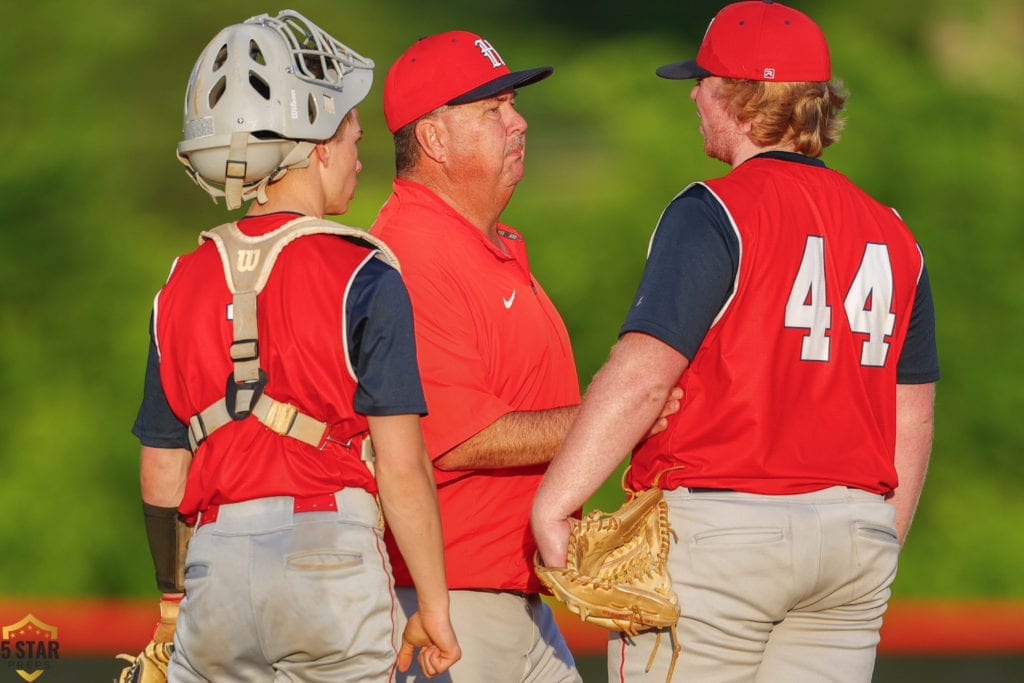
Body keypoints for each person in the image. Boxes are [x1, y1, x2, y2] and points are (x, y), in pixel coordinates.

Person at [531, 2, 939, 681]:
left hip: (727, 531)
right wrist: (874, 541)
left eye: (705, 80)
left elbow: (642, 376)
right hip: (854, 538)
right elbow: (913, 416)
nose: (694, 93)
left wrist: (556, 501)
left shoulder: (715, 209)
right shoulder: (895, 233)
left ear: (744, 97)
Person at [130, 10, 459, 681]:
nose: (360, 158)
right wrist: (433, 602)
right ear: (315, 146)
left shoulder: (179, 282)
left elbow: (163, 471)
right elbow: (400, 467)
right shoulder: (363, 270)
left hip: (214, 568)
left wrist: (172, 598)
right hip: (326, 560)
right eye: (352, 137)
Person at [369, 30, 680, 683]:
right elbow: (454, 438)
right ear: (433, 138)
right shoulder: (411, 253)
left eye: (511, 103)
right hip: (448, 606)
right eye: (493, 109)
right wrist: (616, 414)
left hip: (515, 601)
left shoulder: (491, 242)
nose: (519, 122)